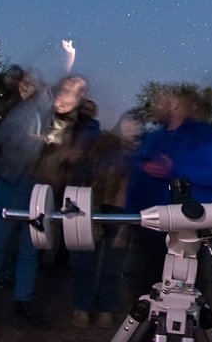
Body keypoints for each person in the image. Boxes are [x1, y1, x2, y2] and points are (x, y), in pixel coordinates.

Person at [0, 73, 88, 335]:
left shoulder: (69, 126)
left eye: (77, 92)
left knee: (31, 248)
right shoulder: (35, 107)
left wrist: (64, 160)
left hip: (41, 190)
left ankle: (22, 303)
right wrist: (34, 142)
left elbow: (57, 166)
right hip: (14, 181)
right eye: (68, 87)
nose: (70, 96)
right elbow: (5, 136)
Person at [124, 85, 212, 302]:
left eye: (159, 102)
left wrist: (174, 170)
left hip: (188, 232)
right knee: (143, 288)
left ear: (174, 106)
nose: (153, 107)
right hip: (149, 228)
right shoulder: (153, 138)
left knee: (185, 295)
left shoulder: (207, 138)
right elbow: (138, 178)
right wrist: (132, 217)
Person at [68, 114, 140, 330]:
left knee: (114, 265)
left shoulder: (143, 153)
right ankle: (81, 306)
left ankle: (106, 308)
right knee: (86, 260)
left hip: (124, 213)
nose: (130, 125)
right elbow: (83, 168)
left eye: (135, 122)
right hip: (96, 207)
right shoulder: (104, 144)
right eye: (126, 121)